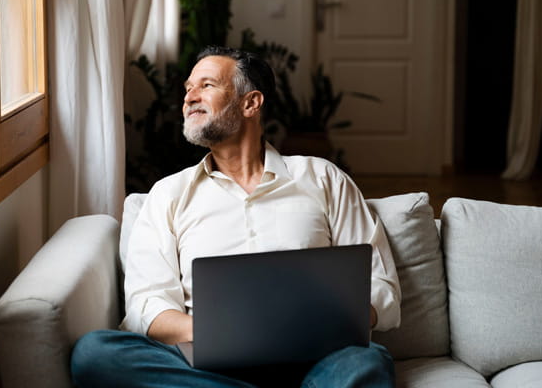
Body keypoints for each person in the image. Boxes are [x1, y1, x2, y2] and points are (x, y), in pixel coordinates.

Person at [70, 46, 401, 387]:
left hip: (315, 359)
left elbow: (381, 287)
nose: (189, 98)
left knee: (367, 361)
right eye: (188, 88)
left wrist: (316, 323)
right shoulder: (168, 194)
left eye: (206, 85)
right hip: (207, 363)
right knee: (95, 353)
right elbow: (146, 305)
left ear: (250, 103)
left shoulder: (323, 178)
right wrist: (221, 331)